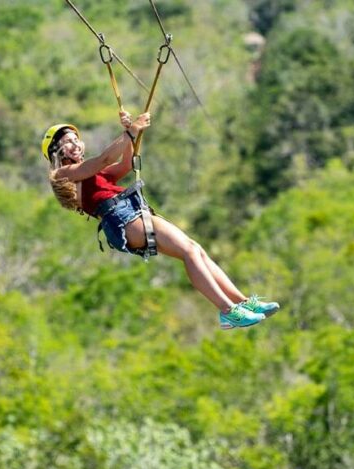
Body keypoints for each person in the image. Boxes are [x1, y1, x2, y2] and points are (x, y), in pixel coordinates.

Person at [42, 110, 279, 329]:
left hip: (131, 212)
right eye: (67, 142)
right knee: (188, 251)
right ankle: (227, 310)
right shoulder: (64, 175)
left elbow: (124, 165)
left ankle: (241, 303)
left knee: (195, 250)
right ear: (56, 152)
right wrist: (130, 131)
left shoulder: (93, 174)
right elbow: (103, 159)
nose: (75, 144)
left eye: (76, 139)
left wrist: (131, 137)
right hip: (122, 217)